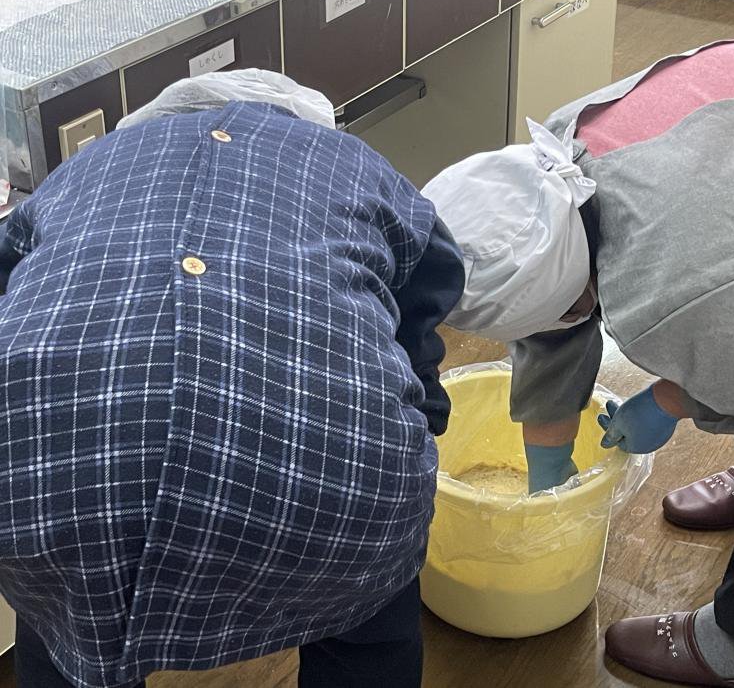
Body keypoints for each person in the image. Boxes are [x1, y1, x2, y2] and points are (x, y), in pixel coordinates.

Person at [422, 18, 734, 686]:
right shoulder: (557, 170)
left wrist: (666, 400)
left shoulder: (682, 270)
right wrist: (548, 466)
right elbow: (551, 321)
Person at [0, 70, 464, 688]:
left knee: (61, 624)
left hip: (47, 471)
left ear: (155, 123)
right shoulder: (357, 166)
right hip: (337, 470)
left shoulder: (79, 172)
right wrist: (420, 426)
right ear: (305, 126)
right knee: (369, 626)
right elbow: (426, 300)